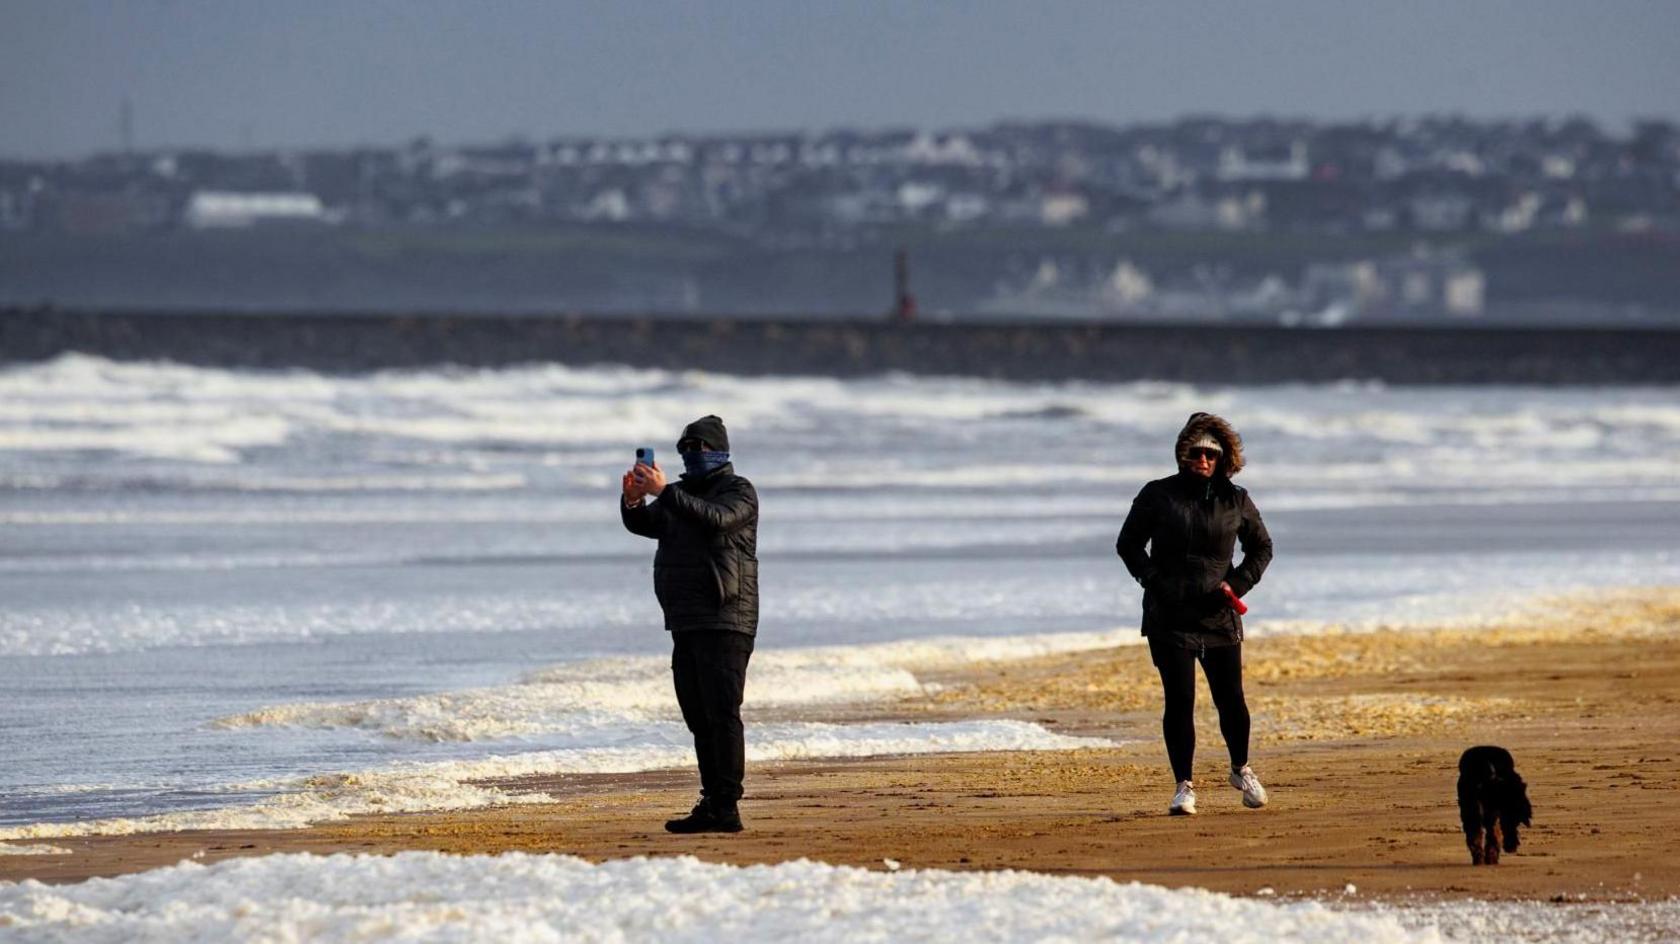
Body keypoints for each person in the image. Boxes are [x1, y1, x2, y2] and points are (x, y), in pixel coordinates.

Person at [1117, 412, 1273, 816]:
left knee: (1231, 700)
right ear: (1182, 455)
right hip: (1168, 616)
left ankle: (1241, 768)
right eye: (1194, 453)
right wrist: (1152, 579)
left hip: (1219, 615)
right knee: (1180, 699)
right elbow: (1128, 544)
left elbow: (1262, 548)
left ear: (1221, 459)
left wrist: (1236, 586)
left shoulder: (1235, 499)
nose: (1202, 460)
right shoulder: (1157, 495)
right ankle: (1183, 786)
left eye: (1210, 454)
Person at [621, 415, 759, 833]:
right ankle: (711, 801)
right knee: (697, 714)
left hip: (726, 615)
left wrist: (664, 491)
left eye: (698, 448)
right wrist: (633, 501)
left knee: (722, 712)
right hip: (684, 618)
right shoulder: (676, 495)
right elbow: (645, 524)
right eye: (684, 449)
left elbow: (715, 520)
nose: (690, 455)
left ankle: (727, 805)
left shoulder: (739, 491)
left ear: (719, 450)